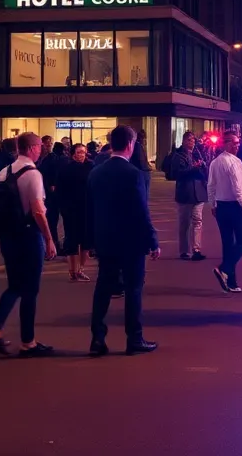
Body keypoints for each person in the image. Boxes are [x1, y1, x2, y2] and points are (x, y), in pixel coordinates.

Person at [0, 132, 57, 357]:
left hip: (8, 236)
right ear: (32, 148)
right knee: (31, 290)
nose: (42, 149)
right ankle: (28, 342)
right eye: (39, 146)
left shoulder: (5, 172)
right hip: (28, 236)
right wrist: (49, 238)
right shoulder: (33, 174)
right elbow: (37, 210)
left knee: (15, 285)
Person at [86, 126, 159, 357]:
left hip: (105, 238)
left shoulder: (96, 172)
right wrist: (152, 239)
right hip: (131, 240)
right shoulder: (133, 174)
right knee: (133, 289)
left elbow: (90, 208)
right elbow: (141, 210)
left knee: (103, 288)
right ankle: (134, 338)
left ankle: (97, 338)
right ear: (130, 144)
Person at [207, 132, 242, 293]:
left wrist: (213, 204)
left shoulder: (215, 162)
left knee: (228, 244)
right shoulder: (234, 162)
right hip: (235, 206)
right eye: (233, 143)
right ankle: (224, 269)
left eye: (238, 143)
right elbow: (238, 189)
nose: (236, 146)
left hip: (221, 206)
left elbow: (210, 185)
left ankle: (230, 281)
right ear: (225, 143)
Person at [169, 131, 209, 261]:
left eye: (194, 140)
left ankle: (196, 249)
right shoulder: (179, 155)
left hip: (198, 192)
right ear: (185, 141)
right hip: (185, 193)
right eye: (190, 140)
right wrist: (193, 167)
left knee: (198, 221)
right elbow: (178, 173)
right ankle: (184, 251)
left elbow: (205, 170)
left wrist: (203, 166)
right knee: (184, 223)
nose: (193, 142)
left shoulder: (198, 153)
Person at [58, 144, 94, 281]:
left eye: (83, 152)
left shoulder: (91, 167)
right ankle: (72, 270)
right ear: (73, 153)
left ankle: (80, 269)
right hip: (70, 209)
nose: (81, 155)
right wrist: (63, 207)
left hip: (86, 208)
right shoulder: (66, 168)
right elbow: (60, 189)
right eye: (79, 152)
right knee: (72, 239)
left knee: (85, 241)